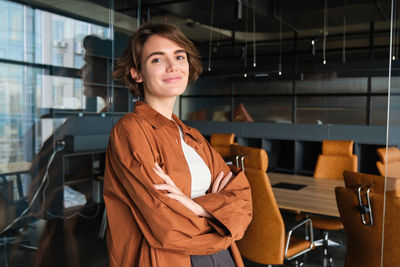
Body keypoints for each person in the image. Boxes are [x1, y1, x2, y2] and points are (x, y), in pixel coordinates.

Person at [104, 23, 252, 267]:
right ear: (137, 73)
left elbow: (244, 201)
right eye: (157, 60)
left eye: (179, 56)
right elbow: (168, 225)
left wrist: (197, 206)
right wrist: (221, 216)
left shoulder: (191, 135)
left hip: (221, 257)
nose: (173, 66)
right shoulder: (131, 130)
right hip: (169, 259)